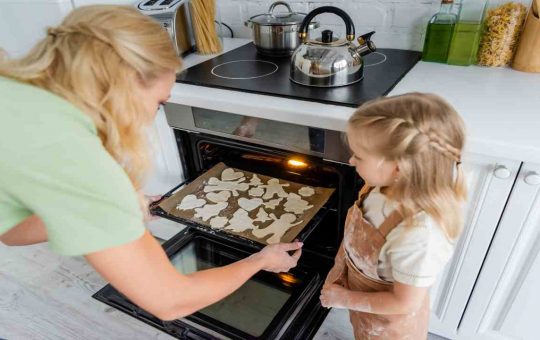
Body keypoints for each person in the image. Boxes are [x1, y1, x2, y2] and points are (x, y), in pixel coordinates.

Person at [0, 5, 302, 322]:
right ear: (126, 84)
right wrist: (260, 261)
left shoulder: (14, 88)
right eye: (159, 103)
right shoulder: (83, 163)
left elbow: (9, 228)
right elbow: (171, 301)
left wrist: (117, 209)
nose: (152, 114)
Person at [320, 93, 466, 339]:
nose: (351, 160)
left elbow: (404, 303)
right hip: (363, 301)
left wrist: (346, 299)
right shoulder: (381, 184)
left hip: (388, 325)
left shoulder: (419, 234)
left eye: (360, 156)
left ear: (399, 167)